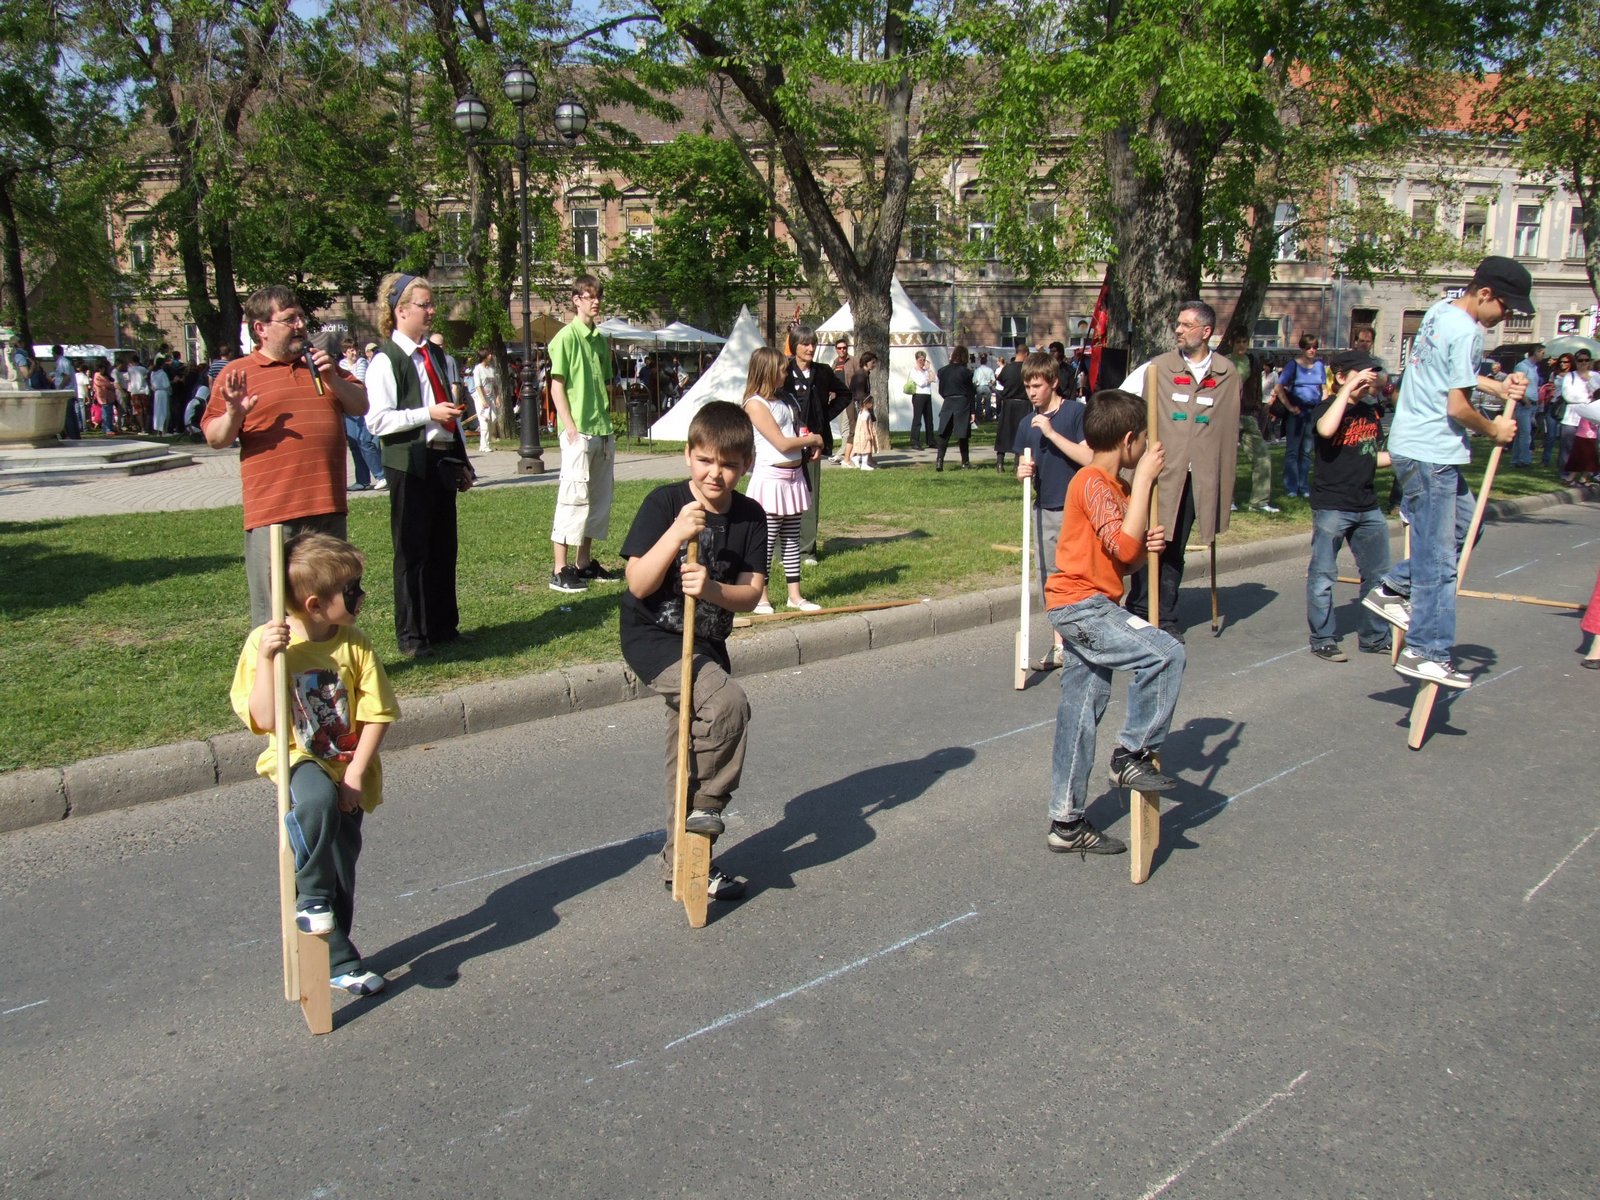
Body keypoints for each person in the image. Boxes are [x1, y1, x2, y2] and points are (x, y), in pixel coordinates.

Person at [231, 532, 398, 997]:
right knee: (317, 802)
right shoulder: (267, 644)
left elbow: (378, 713)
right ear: (315, 604)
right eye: (352, 590)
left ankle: (335, 958)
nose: (362, 596)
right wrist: (269, 658)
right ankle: (311, 896)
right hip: (298, 757)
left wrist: (355, 774)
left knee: (342, 866)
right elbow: (265, 720)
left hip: (347, 764)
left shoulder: (355, 645)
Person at [619, 402, 767, 903]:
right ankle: (707, 806)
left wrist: (710, 589)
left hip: (706, 641)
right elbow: (639, 583)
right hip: (653, 638)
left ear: (746, 464)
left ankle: (683, 864)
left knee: (684, 754)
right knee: (727, 704)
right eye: (705, 460)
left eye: (728, 464)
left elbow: (751, 594)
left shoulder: (751, 517)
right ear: (688, 455)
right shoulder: (664, 504)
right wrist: (677, 534)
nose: (714, 474)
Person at [1362, 256, 1526, 690]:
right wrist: (1495, 430)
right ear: (1485, 293)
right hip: (1431, 453)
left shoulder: (1440, 311)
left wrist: (1497, 386)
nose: (1505, 317)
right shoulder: (1468, 331)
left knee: (1466, 527)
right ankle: (1426, 651)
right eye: (1505, 307)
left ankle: (1394, 588)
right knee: (1438, 561)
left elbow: (1448, 375)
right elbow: (1457, 406)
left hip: (1416, 446)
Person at [1044, 388, 1183, 857]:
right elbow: (1122, 546)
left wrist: (1147, 546)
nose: (1145, 448)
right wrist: (1143, 482)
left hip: (1093, 603)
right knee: (1166, 652)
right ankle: (1130, 754)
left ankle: (1066, 822)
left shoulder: (1116, 490)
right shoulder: (1092, 482)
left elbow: (1125, 559)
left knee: (1080, 712)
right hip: (1082, 606)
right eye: (1142, 439)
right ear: (1128, 441)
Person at [203, 285, 369, 628]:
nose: (300, 325)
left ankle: (327, 663)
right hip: (276, 514)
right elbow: (215, 437)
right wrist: (234, 414)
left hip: (328, 507)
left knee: (333, 603)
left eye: (301, 317)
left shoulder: (321, 366)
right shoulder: (238, 373)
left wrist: (332, 378)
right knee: (275, 612)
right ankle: (275, 665)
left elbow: (360, 405)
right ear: (260, 328)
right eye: (289, 319)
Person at [364, 272, 474, 658]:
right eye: (424, 305)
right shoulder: (386, 360)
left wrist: (462, 461)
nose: (431, 311)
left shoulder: (437, 355)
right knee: (412, 551)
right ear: (400, 310)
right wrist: (427, 413)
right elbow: (377, 421)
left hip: (441, 457)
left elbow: (450, 414)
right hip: (408, 462)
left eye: (431, 304)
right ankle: (413, 635)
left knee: (443, 546)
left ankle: (444, 627)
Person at [1118, 300, 1243, 640]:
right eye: (1178, 324)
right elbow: (1122, 402)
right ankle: (1140, 608)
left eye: (1186, 325)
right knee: (1150, 540)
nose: (1178, 330)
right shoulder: (1157, 368)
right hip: (1160, 472)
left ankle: (1165, 614)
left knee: (1175, 546)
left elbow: (1228, 428)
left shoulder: (1226, 373)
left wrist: (1222, 477)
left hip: (1197, 475)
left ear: (1206, 331)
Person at [1305, 352, 1393, 662]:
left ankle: (1374, 637)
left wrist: (1407, 456)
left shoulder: (1370, 411)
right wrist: (1347, 390)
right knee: (1323, 576)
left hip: (1367, 504)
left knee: (1379, 575)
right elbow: (1327, 430)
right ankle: (1323, 639)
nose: (1367, 381)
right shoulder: (1326, 408)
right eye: (1360, 375)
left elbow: (1370, 456)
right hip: (1332, 505)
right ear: (1342, 376)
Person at [1015, 350, 1091, 668]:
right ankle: (1060, 645)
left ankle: (1086, 640)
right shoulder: (1025, 424)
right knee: (1050, 578)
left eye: (1037, 386)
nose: (1032, 392)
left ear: (1053, 382)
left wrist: (1051, 433)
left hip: (1077, 508)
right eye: (1027, 386)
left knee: (1080, 576)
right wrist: (1022, 472)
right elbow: (1023, 464)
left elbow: (1089, 458)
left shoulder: (1075, 413)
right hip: (1044, 508)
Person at [546, 275, 620, 593]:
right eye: (589, 296)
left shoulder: (600, 340)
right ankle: (559, 568)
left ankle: (583, 563)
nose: (596, 301)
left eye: (598, 295)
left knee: (597, 500)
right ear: (576, 300)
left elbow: (605, 383)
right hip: (579, 432)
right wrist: (571, 428)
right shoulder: (565, 337)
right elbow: (556, 386)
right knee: (572, 498)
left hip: (601, 429)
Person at [743, 346, 825, 614]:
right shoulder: (755, 404)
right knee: (766, 543)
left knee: (791, 539)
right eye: (781, 369)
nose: (786, 373)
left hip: (794, 477)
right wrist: (814, 439)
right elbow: (780, 442)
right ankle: (761, 596)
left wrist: (810, 440)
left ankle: (795, 596)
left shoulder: (785, 399)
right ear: (767, 371)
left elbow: (795, 430)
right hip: (770, 480)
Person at [779, 323, 852, 565]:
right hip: (785, 441)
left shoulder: (822, 372)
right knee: (781, 494)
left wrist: (824, 415)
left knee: (808, 495)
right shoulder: (782, 369)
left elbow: (845, 394)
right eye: (805, 344)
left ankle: (807, 551)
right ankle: (780, 549)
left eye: (813, 344)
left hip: (813, 444)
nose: (810, 348)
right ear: (794, 346)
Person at [1226, 326, 1278, 512]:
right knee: (1228, 461)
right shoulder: (1223, 362)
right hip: (1228, 416)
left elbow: (1256, 388)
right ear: (1231, 343)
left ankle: (1259, 502)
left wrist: (1257, 409)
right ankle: (1227, 500)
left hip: (1248, 415)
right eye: (1238, 342)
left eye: (1244, 342)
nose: (1241, 345)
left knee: (1262, 457)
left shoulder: (1252, 361)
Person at [1273, 334, 1325, 499]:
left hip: (1313, 411)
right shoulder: (1293, 365)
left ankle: (1303, 486)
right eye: (1308, 347)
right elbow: (1279, 387)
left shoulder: (1319, 365)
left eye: (1314, 347)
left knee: (1307, 451)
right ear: (1302, 348)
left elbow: (1323, 388)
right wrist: (1290, 407)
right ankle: (1291, 487)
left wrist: (1324, 408)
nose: (1312, 350)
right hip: (1297, 412)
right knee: (1293, 451)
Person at [1558, 351, 1600, 485]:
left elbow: (1598, 393)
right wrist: (1587, 398)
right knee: (1568, 447)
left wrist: (1589, 381)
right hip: (1572, 417)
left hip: (1590, 419)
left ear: (1590, 361)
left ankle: (1585, 475)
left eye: (1586, 360)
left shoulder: (1595, 376)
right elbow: (1568, 395)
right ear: (1576, 362)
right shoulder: (1570, 376)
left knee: (1589, 449)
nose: (1583, 363)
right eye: (1580, 360)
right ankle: (1565, 474)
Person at [934, 344, 978, 470]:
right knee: (963, 434)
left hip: (948, 402)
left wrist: (948, 397)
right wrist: (973, 411)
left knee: (944, 434)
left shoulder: (942, 371)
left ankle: (939, 461)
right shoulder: (966, 372)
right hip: (962, 403)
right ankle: (965, 462)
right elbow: (970, 393)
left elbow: (941, 390)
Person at [994, 340, 1031, 473]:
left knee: (1004, 432)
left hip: (1008, 403)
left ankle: (1000, 463)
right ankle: (1017, 463)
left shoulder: (1007, 368)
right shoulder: (1027, 369)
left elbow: (1000, 380)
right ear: (1026, 354)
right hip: (1024, 403)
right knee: (1020, 433)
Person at [1510, 343, 1545, 468]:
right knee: (1525, 433)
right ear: (1536, 352)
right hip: (1524, 403)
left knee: (1522, 433)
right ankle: (1525, 460)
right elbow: (1516, 385)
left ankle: (1516, 459)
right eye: (1542, 353)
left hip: (1532, 403)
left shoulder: (1534, 368)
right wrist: (1525, 401)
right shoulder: (1522, 366)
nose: (1543, 356)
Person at [842, 350, 877, 468]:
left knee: (867, 430)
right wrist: (865, 408)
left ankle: (868, 459)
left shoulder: (865, 374)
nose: (874, 365)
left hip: (861, 405)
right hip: (855, 406)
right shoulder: (860, 375)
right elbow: (859, 395)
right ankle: (846, 459)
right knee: (854, 431)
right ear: (866, 362)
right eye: (873, 362)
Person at [470, 350, 501, 454]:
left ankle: (485, 441)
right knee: (484, 421)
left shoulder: (491, 369)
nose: (490, 356)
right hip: (481, 398)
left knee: (494, 418)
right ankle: (485, 445)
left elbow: (495, 385)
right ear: (484, 356)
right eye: (488, 354)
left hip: (491, 397)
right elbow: (478, 386)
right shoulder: (478, 369)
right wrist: (483, 400)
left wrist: (497, 397)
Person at [907, 348, 936, 451]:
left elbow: (935, 379)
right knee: (917, 419)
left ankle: (931, 441)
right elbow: (921, 383)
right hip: (918, 395)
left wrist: (929, 370)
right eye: (920, 360)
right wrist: (929, 380)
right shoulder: (913, 371)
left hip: (927, 394)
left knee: (929, 419)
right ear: (916, 360)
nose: (922, 362)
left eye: (923, 360)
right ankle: (915, 441)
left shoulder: (926, 370)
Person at [852, 390, 879, 471]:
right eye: (870, 403)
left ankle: (857, 458)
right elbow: (864, 424)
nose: (872, 404)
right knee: (866, 449)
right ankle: (864, 464)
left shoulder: (862, 412)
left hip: (861, 433)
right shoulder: (865, 413)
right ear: (865, 403)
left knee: (863, 448)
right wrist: (867, 433)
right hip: (864, 433)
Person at [973, 351, 996, 422]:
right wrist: (990, 384)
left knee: (978, 403)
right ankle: (987, 417)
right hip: (987, 386)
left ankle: (978, 417)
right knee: (988, 403)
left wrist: (976, 386)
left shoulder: (977, 370)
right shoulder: (990, 370)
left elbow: (974, 380)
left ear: (980, 361)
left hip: (979, 387)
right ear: (986, 361)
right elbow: (993, 380)